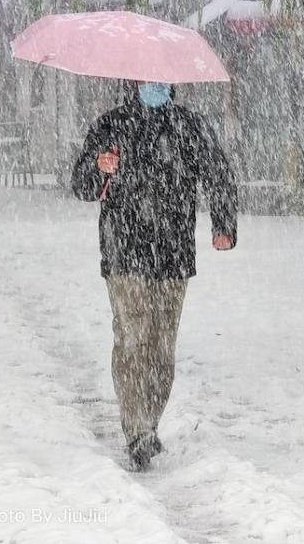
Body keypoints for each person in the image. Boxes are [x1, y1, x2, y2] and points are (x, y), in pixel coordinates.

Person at [72, 80, 237, 471]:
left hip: (173, 256)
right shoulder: (110, 126)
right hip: (123, 252)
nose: (154, 87)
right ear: (132, 82)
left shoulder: (188, 126)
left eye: (161, 81)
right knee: (132, 338)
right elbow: (80, 184)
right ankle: (136, 431)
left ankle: (150, 420)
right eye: (147, 81)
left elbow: (218, 173)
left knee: (162, 348)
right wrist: (99, 166)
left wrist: (223, 223)